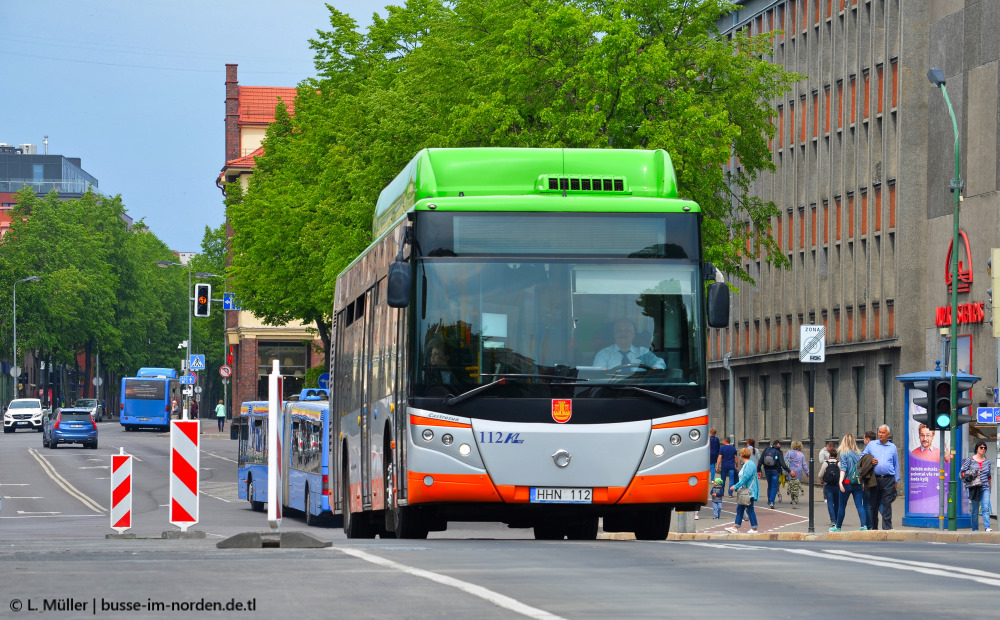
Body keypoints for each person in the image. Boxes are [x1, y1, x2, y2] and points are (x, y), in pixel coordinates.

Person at [861, 424, 900, 530]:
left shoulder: (892, 447)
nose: (880, 434)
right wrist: (870, 460)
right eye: (879, 432)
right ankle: (874, 527)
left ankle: (887, 528)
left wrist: (896, 480)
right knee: (873, 504)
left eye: (883, 432)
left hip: (888, 479)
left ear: (888, 434)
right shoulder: (872, 445)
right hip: (875, 479)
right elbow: (862, 457)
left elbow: (896, 464)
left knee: (887, 504)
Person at [591, 319, 666, 370]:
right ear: (614, 334)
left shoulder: (643, 352)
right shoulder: (603, 354)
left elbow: (660, 362)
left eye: (627, 330)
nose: (623, 333)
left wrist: (655, 369)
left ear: (633, 334)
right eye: (619, 330)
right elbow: (598, 375)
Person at [831, 434, 867, 532]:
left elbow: (843, 469)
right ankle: (864, 526)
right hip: (858, 482)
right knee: (859, 505)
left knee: (842, 505)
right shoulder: (859, 453)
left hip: (847, 481)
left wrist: (840, 482)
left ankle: (838, 527)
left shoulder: (844, 454)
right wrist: (862, 482)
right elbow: (861, 469)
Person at [725, 447, 760, 534]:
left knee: (749, 509)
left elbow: (745, 479)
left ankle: (754, 528)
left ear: (741, 455)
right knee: (740, 509)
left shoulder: (749, 465)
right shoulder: (748, 464)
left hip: (748, 492)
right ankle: (736, 527)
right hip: (745, 491)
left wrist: (735, 486)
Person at [960, 441, 993, 532]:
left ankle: (987, 527)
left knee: (985, 507)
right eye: (981, 447)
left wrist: (990, 488)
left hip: (985, 487)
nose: (983, 449)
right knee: (975, 510)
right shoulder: (970, 460)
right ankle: (975, 529)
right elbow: (962, 473)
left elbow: (989, 476)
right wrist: (973, 473)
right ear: (977, 449)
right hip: (974, 487)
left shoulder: (988, 462)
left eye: (984, 448)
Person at [758, 439, 790, 509]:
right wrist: (789, 471)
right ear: (778, 445)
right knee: (774, 487)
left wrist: (758, 470)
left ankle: (769, 501)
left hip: (767, 470)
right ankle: (772, 502)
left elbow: (760, 460)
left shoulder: (766, 450)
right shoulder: (779, 452)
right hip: (776, 471)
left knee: (769, 486)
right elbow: (783, 464)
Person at [784, 440, 809, 508]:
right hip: (799, 471)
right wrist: (807, 472)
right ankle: (796, 499)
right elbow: (804, 464)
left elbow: (785, 461)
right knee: (797, 484)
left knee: (791, 484)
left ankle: (792, 499)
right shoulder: (801, 454)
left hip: (791, 471)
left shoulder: (789, 453)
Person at [818, 448, 840, 527]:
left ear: (829, 455)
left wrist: (822, 481)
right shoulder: (839, 463)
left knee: (830, 502)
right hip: (837, 485)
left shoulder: (825, 463)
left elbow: (820, 475)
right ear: (836, 456)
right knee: (837, 502)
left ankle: (833, 520)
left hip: (828, 486)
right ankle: (837, 519)